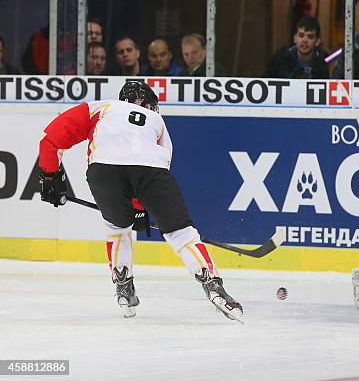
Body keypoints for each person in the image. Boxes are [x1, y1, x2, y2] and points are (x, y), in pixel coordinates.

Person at [38, 81, 243, 322]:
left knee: (117, 227)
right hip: (150, 171)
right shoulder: (157, 121)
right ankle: (212, 284)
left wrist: (50, 176)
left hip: (103, 170)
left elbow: (49, 140)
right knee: (181, 233)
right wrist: (139, 205)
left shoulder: (100, 108)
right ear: (146, 104)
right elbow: (159, 164)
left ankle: (124, 286)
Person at [264, 17, 329, 79]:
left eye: (310, 36)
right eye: (301, 35)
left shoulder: (322, 65)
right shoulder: (280, 58)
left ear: (317, 41)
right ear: (295, 39)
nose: (305, 40)